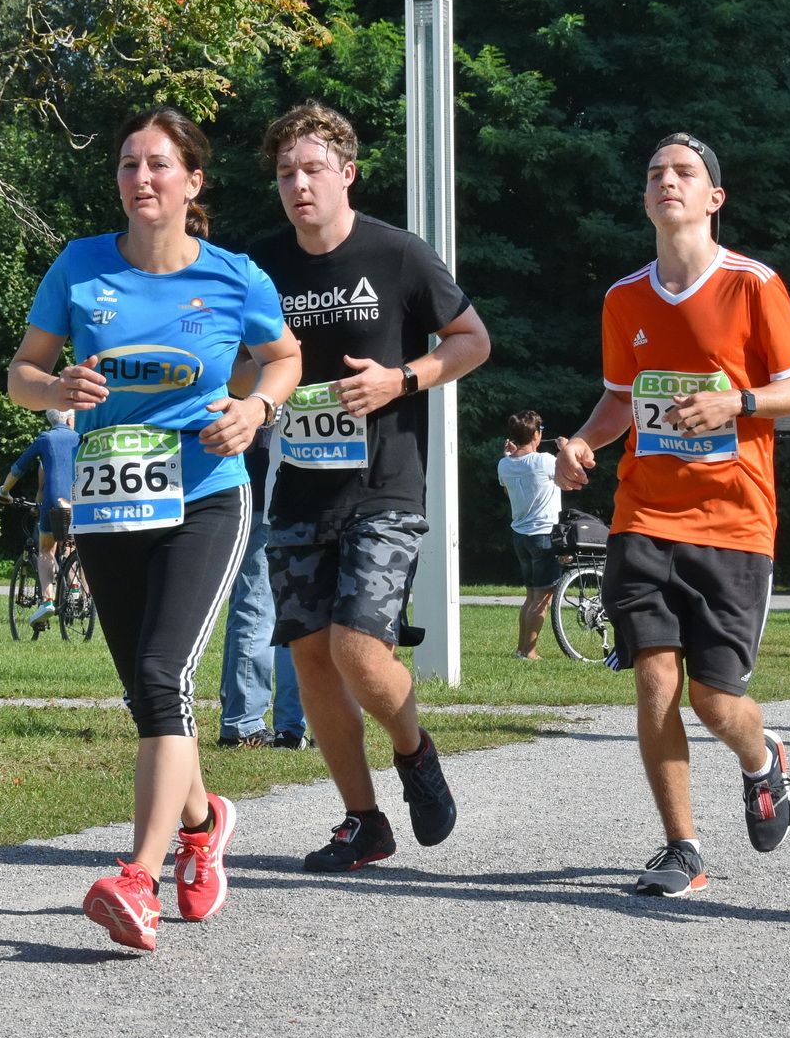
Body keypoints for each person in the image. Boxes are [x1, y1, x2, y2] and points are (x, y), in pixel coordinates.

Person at [7, 106, 301, 950]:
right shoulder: (80, 266)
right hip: (108, 503)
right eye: (130, 164)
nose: (142, 178)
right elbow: (22, 373)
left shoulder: (235, 275)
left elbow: (284, 356)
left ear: (192, 183)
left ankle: (136, 876)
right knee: (149, 690)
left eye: (160, 165)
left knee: (163, 671)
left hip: (205, 494)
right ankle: (205, 823)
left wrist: (255, 408)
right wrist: (54, 389)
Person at [554, 131, 790, 897]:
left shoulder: (753, 285)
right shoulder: (623, 297)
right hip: (645, 514)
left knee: (715, 701)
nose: (667, 180)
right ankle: (681, 846)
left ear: (714, 197)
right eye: (655, 173)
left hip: (736, 520)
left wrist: (734, 400)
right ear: (646, 199)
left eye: (684, 172)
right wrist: (581, 441)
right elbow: (617, 397)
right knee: (654, 681)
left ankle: (761, 755)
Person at [249, 102, 491, 873]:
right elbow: (233, 359)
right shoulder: (258, 268)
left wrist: (402, 379)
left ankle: (414, 751)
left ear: (346, 172)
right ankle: (363, 821)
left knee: (359, 646)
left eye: (313, 168)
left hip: (384, 484)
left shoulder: (397, 254)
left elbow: (473, 341)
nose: (298, 184)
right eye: (286, 173)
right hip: (298, 486)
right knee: (311, 657)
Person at [216, 429, 308, 749]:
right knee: (259, 609)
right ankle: (245, 723)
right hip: (266, 494)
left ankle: (276, 724)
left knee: (265, 609)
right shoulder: (270, 385)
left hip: (261, 491)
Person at [0, 408, 80, 627]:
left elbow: (19, 467)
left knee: (46, 549)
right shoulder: (82, 436)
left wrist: (4, 492)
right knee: (72, 545)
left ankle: (48, 601)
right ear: (71, 419)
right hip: (82, 500)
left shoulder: (46, 438)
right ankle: (76, 589)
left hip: (54, 500)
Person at [498, 409, 563, 659]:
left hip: (521, 537)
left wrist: (509, 455)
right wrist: (566, 448)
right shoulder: (545, 460)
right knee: (542, 599)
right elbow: (571, 474)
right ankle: (531, 651)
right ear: (536, 434)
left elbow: (508, 493)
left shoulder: (504, 463)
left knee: (530, 596)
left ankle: (521, 649)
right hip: (544, 535)